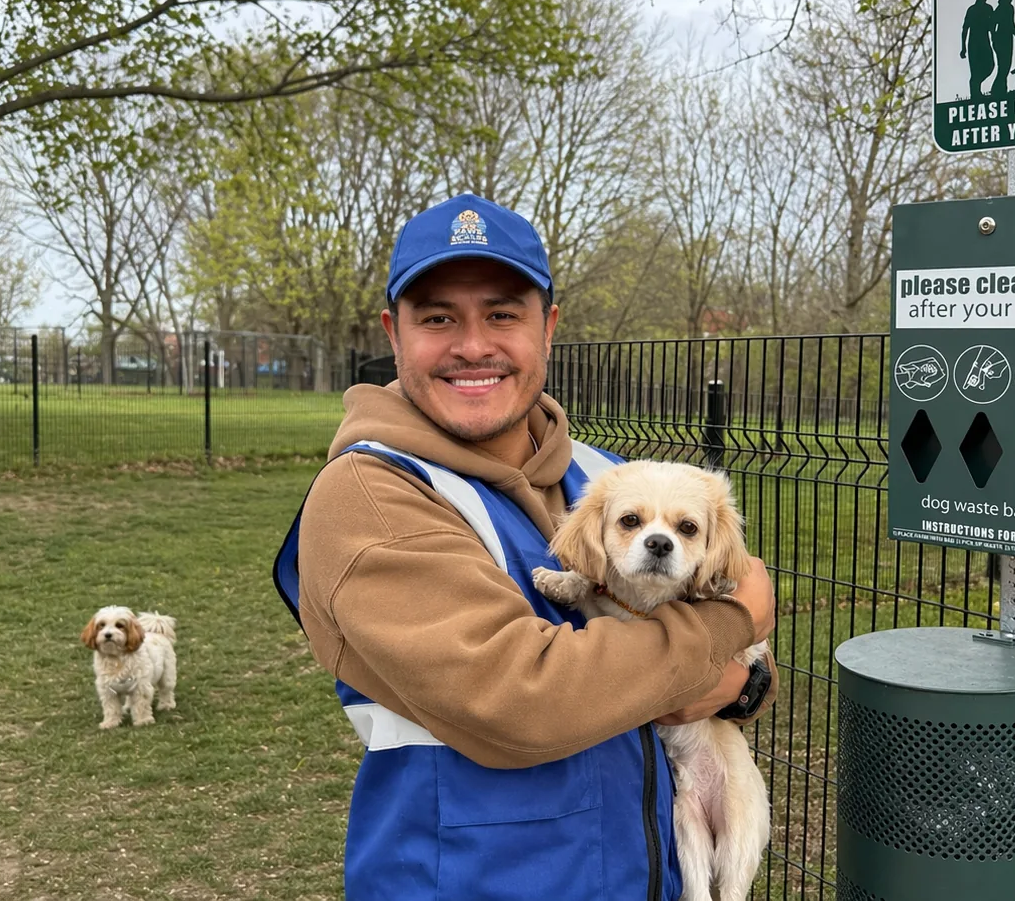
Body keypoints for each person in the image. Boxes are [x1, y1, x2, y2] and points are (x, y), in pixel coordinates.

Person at [273, 193, 778, 901]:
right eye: (438, 316)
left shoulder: (606, 480)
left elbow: (724, 663)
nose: (473, 345)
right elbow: (516, 698)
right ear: (394, 332)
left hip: (645, 875)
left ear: (548, 328)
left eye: (503, 313)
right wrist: (734, 624)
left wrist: (743, 681)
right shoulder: (370, 496)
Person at [960, 0, 996, 99]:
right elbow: (965, 28)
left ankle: (976, 86)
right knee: (975, 70)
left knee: (990, 66)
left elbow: (992, 26)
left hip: (985, 42)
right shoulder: (972, 10)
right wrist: (963, 47)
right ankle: (975, 93)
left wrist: (995, 37)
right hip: (974, 43)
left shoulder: (989, 8)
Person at [991, 0, 1015, 97]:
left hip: (1007, 38)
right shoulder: (1001, 9)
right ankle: (997, 90)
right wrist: (994, 37)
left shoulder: (1009, 8)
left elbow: (1011, 24)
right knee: (1003, 66)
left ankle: (1002, 90)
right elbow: (993, 24)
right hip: (1001, 38)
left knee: (1006, 66)